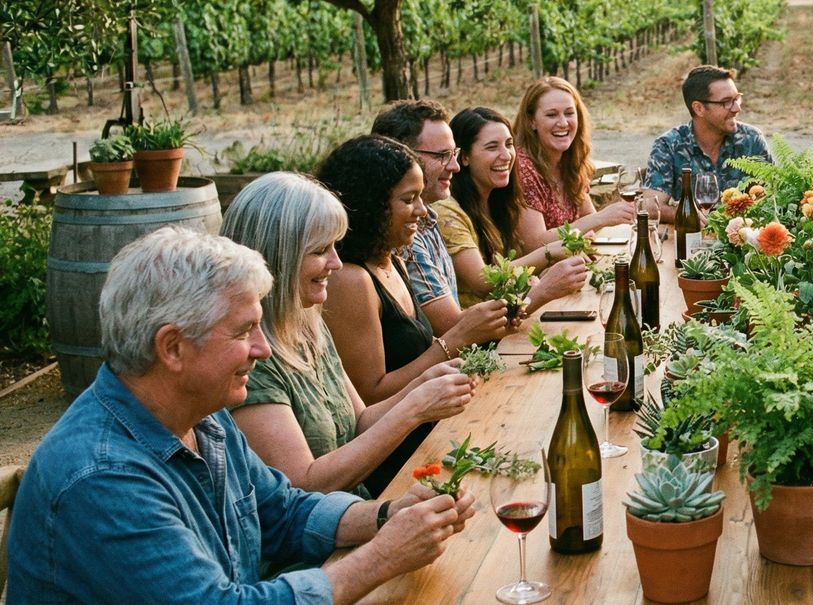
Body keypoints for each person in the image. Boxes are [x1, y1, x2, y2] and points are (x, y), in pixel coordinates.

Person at [6, 226, 473, 604]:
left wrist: (386, 516)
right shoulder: (103, 478)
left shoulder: (202, 416)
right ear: (172, 347)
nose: (263, 349)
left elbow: (282, 512)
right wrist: (381, 558)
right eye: (245, 330)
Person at [222, 172, 476, 497]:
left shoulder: (308, 323)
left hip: (355, 513)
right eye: (320, 251)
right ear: (277, 257)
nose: (337, 263)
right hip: (326, 540)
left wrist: (423, 384)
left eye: (335, 247)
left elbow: (360, 422)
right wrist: (415, 408)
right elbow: (305, 486)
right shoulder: (250, 361)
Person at [317, 135, 505, 413]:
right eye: (409, 199)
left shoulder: (394, 260)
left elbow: (416, 351)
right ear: (371, 206)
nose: (422, 211)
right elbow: (370, 396)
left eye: (420, 196)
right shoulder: (349, 280)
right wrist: (456, 339)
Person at [373, 100, 587, 324]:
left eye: (509, 144)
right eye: (441, 155)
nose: (506, 156)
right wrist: (544, 283)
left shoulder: (439, 216)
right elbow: (467, 306)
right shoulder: (436, 216)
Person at [432, 106, 590, 303]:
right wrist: (549, 253)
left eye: (509, 144)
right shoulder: (447, 211)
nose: (506, 155)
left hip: (507, 319)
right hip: (482, 329)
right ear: (464, 157)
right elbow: (483, 281)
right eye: (492, 147)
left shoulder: (498, 201)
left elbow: (516, 267)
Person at [511, 77, 635, 248]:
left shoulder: (569, 161)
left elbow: (589, 221)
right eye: (551, 115)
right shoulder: (523, 168)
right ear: (531, 121)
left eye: (569, 113)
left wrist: (593, 224)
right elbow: (536, 242)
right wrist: (601, 218)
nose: (563, 123)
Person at [644, 64, 774, 211]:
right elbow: (651, 207)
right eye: (726, 102)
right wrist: (693, 218)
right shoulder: (669, 145)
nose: (737, 108)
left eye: (737, 99)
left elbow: (775, 195)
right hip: (692, 233)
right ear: (699, 108)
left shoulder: (751, 139)